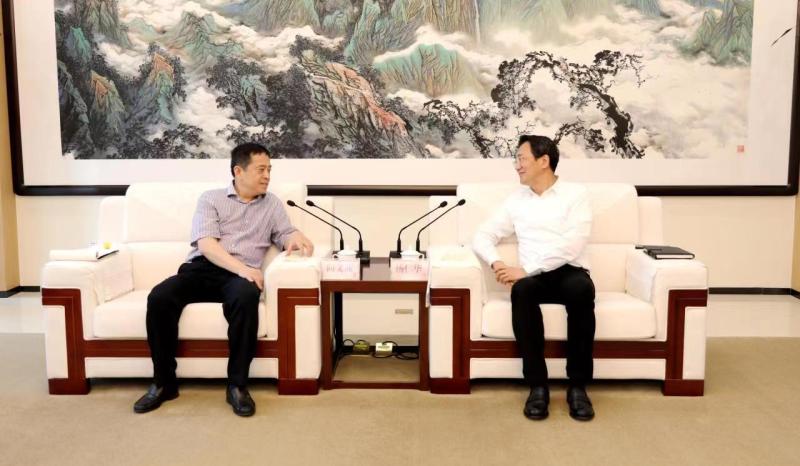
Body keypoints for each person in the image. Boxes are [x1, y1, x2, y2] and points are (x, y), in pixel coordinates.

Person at [133, 143, 314, 417]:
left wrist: (295, 237)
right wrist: (242, 269)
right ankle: (163, 382)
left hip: (239, 279)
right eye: (261, 170)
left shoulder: (272, 204)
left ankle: (237, 386)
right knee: (160, 297)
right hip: (203, 269)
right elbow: (206, 245)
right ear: (238, 171)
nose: (267, 176)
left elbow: (284, 233)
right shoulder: (211, 199)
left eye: (269, 169)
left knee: (246, 296)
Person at [472, 135, 596, 421]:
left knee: (581, 289)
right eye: (516, 160)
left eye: (522, 159)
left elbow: (573, 243)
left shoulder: (575, 194)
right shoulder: (516, 200)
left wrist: (527, 270)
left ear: (544, 161)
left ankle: (578, 386)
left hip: (569, 270)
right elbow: (483, 235)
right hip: (533, 278)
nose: (517, 165)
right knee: (522, 291)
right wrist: (497, 263)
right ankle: (537, 386)